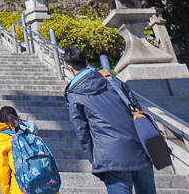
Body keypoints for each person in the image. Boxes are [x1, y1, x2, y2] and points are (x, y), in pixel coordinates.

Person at [63, 47, 156, 194]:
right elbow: (137, 109)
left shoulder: (74, 95)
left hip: (110, 156)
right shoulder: (111, 80)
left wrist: (95, 161)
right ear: (87, 62)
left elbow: (82, 132)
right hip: (139, 147)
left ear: (70, 68)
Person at [0, 106, 24, 194]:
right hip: (44, 184)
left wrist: (6, 191)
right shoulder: (26, 131)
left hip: (20, 187)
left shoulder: (2, 136)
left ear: (0, 121)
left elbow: (2, 166)